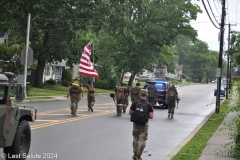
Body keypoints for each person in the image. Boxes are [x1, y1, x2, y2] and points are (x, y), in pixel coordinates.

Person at [129, 89, 154, 160]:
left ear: (140, 94)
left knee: (135, 138)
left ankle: (134, 154)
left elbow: (130, 112)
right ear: (147, 95)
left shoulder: (135, 103)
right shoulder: (149, 105)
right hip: (144, 124)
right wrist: (146, 115)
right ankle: (138, 155)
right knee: (142, 139)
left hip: (136, 123)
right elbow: (151, 117)